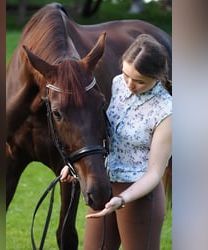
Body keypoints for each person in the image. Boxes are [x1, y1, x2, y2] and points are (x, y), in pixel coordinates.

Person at [60, 34, 172, 250]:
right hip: (104, 186)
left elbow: (154, 174)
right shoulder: (117, 84)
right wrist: (74, 164)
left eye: (140, 81)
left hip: (140, 197)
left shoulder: (167, 111)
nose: (130, 84)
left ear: (157, 77)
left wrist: (121, 199)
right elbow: (106, 135)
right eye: (126, 74)